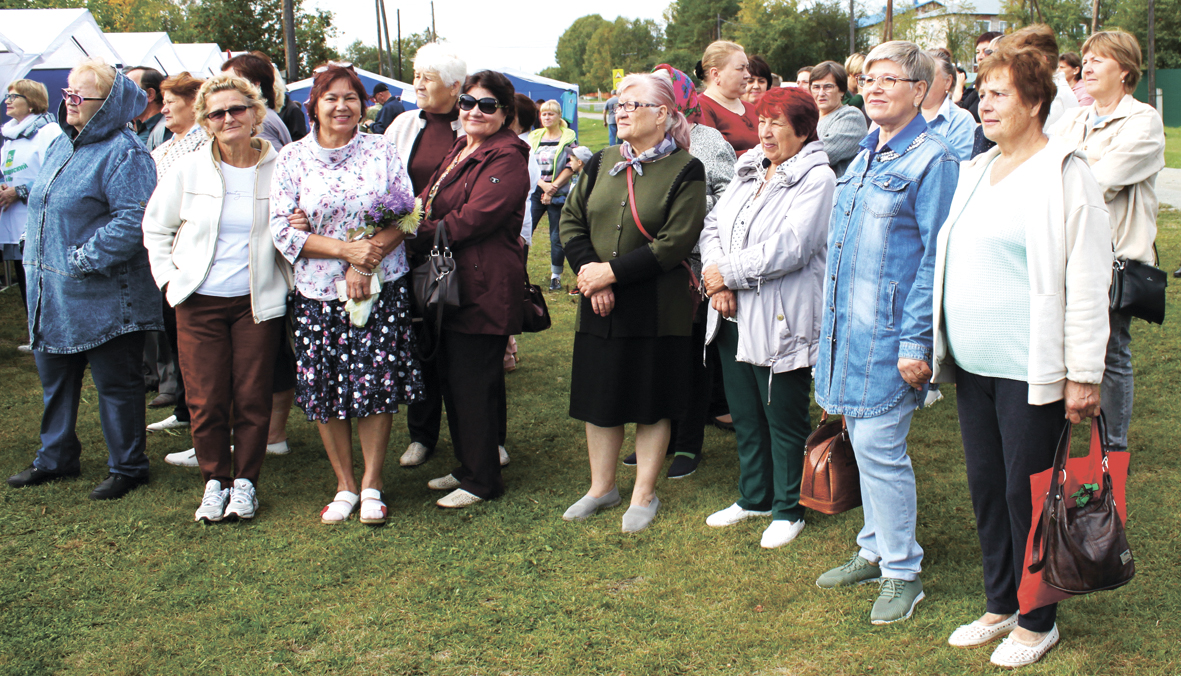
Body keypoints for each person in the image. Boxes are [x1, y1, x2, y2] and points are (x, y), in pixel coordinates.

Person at [932, 45, 1112, 668]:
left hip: (1031, 367)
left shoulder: (1064, 170)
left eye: (1000, 92)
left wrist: (1084, 374)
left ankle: (1038, 620)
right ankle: (1001, 601)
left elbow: (1088, 278)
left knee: (1027, 493)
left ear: (1035, 102)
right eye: (982, 91)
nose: (984, 102)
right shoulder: (977, 167)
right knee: (986, 487)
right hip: (973, 365)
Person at [813, 41, 959, 624]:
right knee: (865, 444)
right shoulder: (864, 156)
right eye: (867, 79)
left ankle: (903, 572)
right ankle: (874, 547)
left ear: (920, 91)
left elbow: (933, 260)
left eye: (889, 79)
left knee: (880, 449)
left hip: (894, 338)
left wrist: (915, 342)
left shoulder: (933, 159)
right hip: (847, 333)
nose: (873, 88)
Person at [270, 64, 423, 525]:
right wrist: (343, 250)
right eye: (331, 98)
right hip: (318, 294)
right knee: (325, 387)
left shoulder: (381, 151)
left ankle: (373, 483)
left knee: (375, 386)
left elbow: (408, 214)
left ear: (363, 105)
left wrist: (362, 261)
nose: (342, 106)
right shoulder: (292, 159)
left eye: (351, 98)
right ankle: (345, 485)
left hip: (378, 287)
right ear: (313, 105)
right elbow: (281, 230)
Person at [6, 58, 161, 500]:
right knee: (55, 378)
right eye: (68, 91)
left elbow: (134, 221)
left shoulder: (124, 151)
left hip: (105, 294)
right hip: (51, 292)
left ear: (110, 104)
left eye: (81, 93)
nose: (69, 99)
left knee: (116, 384)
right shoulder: (62, 143)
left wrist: (81, 259)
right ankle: (56, 458)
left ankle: (128, 466)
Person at [558, 72, 707, 532]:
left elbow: (675, 242)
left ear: (662, 114)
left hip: (659, 305)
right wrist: (593, 276)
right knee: (599, 396)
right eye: (618, 106)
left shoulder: (686, 168)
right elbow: (570, 222)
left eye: (632, 105)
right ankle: (601, 488)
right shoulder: (600, 162)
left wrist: (613, 273)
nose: (620, 112)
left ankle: (644, 492)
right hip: (598, 299)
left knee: (651, 398)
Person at [143, 74, 291, 523]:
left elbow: (294, 226)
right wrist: (171, 281)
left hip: (256, 303)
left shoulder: (281, 165)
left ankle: (245, 483)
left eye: (237, 109)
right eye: (218, 113)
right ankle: (214, 482)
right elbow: (156, 228)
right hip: (198, 301)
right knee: (206, 399)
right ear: (206, 122)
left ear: (255, 113)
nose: (228, 118)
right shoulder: (187, 170)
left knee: (251, 396)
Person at [700, 86, 836, 548]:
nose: (767, 131)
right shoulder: (750, 167)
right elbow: (714, 225)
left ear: (804, 129)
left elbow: (793, 247)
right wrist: (716, 281)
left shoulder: (818, 178)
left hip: (779, 314)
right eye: (762, 121)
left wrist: (726, 275)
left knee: (783, 416)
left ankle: (787, 507)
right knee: (745, 413)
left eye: (778, 123)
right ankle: (753, 496)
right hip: (731, 311)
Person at [406, 70, 530, 509]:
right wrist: (408, 217)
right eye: (467, 103)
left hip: (483, 282)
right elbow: (427, 198)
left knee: (473, 381)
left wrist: (418, 233)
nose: (474, 111)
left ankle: (483, 480)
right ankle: (468, 465)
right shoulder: (462, 146)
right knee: (453, 377)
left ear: (505, 112)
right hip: (451, 278)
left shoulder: (508, 157)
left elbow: (476, 218)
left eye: (487, 105)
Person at [1052, 30, 1166, 455]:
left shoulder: (1144, 120)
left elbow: (1100, 182)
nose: (1088, 67)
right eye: (1086, 59)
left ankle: (1112, 449)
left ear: (1125, 70)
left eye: (1099, 59)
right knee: (1069, 346)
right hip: (1068, 248)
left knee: (1111, 352)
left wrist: (1075, 171)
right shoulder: (1076, 118)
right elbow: (1050, 170)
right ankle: (1068, 438)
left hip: (1115, 256)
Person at [624, 63, 735, 479]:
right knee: (653, 356)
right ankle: (658, 435)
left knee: (692, 357)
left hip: (691, 268)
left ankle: (688, 442)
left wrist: (682, 216)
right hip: (647, 266)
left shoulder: (707, 140)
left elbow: (729, 198)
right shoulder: (637, 144)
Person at [383, 43, 472, 470]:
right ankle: (422, 436)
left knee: (465, 348)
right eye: (416, 75)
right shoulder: (402, 124)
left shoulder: (474, 124)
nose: (417, 83)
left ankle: (484, 439)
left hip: (458, 253)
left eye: (428, 78)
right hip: (409, 253)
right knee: (419, 345)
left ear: (455, 88)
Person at [142, 72, 209, 437]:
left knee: (194, 344)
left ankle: (200, 414)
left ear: (193, 103)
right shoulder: (164, 147)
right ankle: (185, 408)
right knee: (175, 336)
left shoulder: (203, 145)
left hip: (195, 258)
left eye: (171, 100)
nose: (163, 107)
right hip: (167, 256)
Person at [1, 79, 61, 344]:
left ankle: (49, 333)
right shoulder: (11, 135)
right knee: (24, 280)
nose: (8, 101)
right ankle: (34, 333)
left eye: (14, 96)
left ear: (32, 100)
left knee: (38, 279)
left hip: (37, 221)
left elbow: (58, 172)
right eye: (7, 96)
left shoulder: (48, 131)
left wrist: (20, 191)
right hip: (13, 221)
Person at [527, 99, 578, 293]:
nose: (546, 117)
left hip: (559, 191)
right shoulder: (535, 136)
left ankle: (555, 276)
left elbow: (573, 164)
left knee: (557, 236)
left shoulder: (568, 137)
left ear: (559, 117)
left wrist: (553, 187)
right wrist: (543, 185)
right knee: (524, 231)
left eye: (550, 114)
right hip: (536, 189)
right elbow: (528, 162)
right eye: (543, 114)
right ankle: (517, 272)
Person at [1007, 25, 1078, 131]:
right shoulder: (1041, 90)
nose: (1013, 65)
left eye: (1020, 60)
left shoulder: (1056, 99)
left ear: (1042, 60)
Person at [697, 41, 759, 156]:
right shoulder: (701, 108)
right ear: (715, 74)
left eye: (747, 68)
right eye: (740, 69)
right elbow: (717, 158)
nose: (747, 75)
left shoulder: (752, 108)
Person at [808, 60, 868, 176]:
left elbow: (821, 154)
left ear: (842, 91)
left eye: (828, 87)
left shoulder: (851, 116)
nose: (821, 93)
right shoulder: (808, 118)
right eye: (816, 87)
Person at [222, 53, 292, 150]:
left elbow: (270, 162)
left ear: (255, 84)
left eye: (232, 82)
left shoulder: (258, 120)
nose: (224, 88)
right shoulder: (263, 115)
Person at [922, 49, 977, 161]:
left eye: (929, 75)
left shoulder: (961, 120)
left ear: (947, 82)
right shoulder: (900, 115)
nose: (921, 81)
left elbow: (953, 170)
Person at [958, 31, 1004, 122]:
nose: (981, 56)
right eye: (978, 52)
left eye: (987, 51)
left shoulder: (1005, 84)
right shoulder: (977, 85)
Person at [125, 66, 171, 150]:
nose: (121, 95)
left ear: (150, 94)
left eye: (128, 89)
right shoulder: (137, 127)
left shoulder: (168, 129)